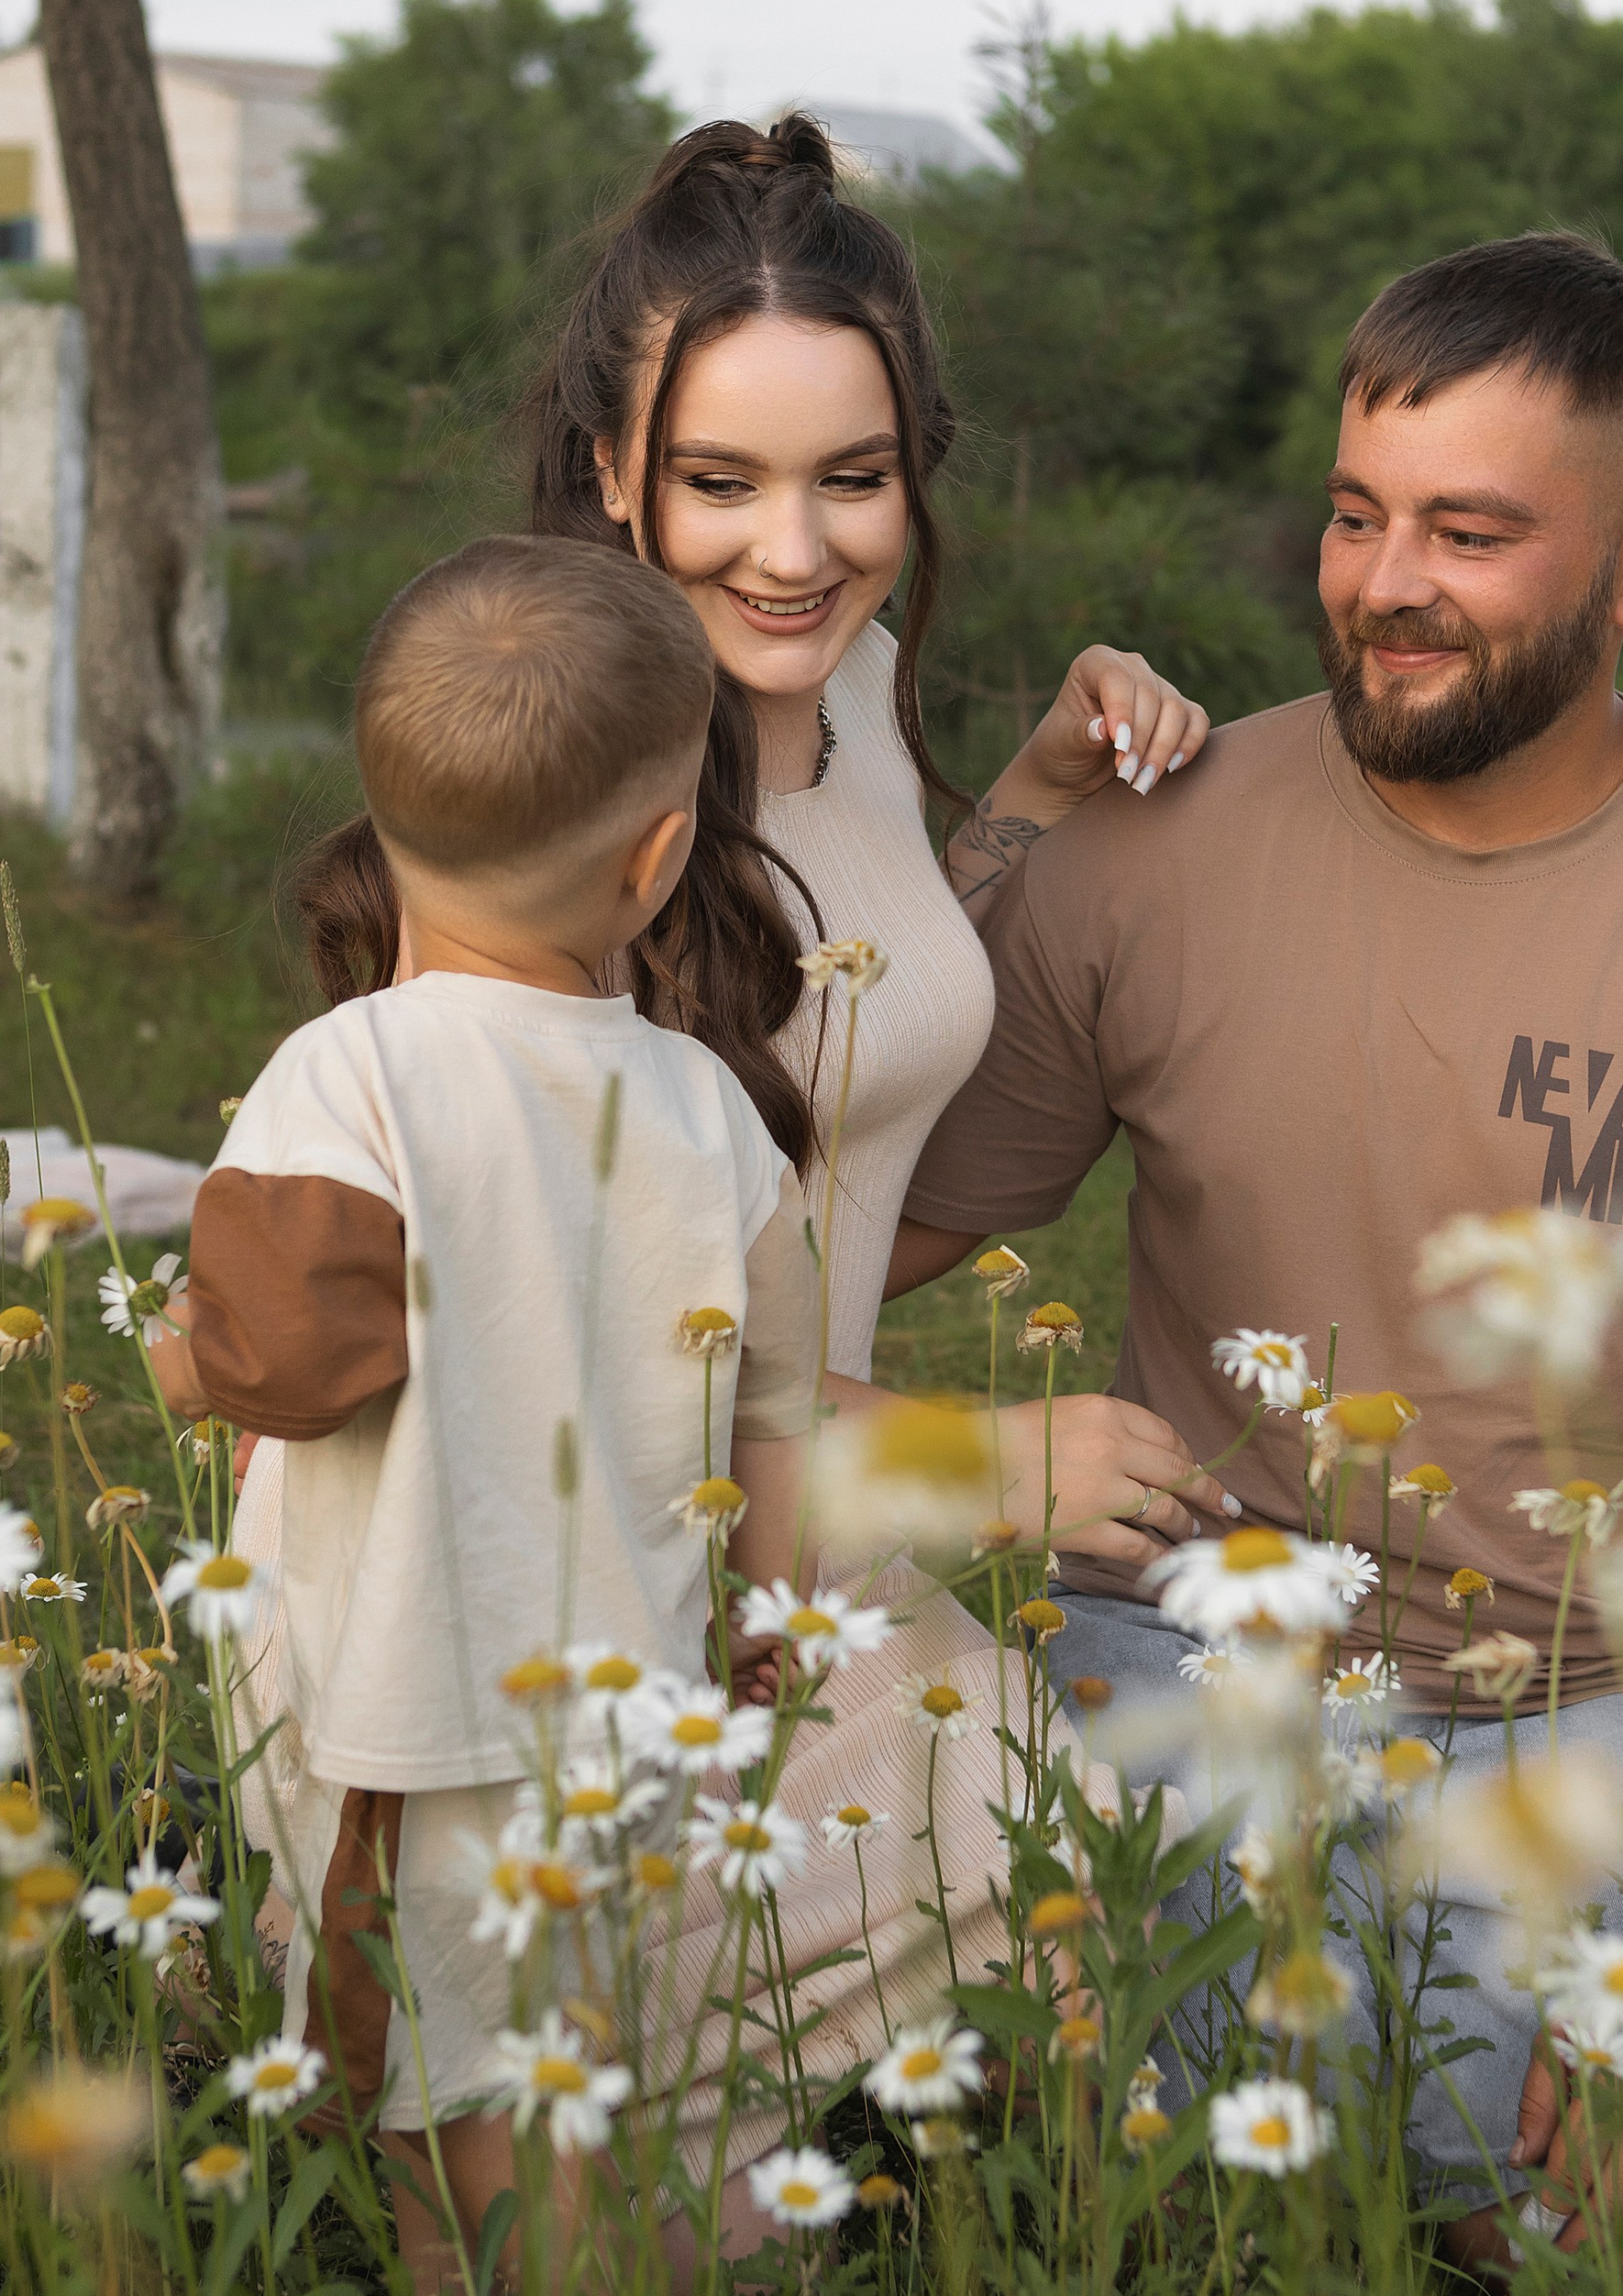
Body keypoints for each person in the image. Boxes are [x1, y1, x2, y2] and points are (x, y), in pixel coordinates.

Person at [893, 230, 1623, 2271]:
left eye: (1469, 535)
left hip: (1589, 1703)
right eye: (1353, 515)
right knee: (980, 2162)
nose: (1383, 585)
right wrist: (1005, 836)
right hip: (1182, 1655)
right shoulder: (1163, 831)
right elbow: (859, 1236)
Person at [171, 536, 1043, 2296]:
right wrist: (757, 1635)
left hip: (409, 1716)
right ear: (659, 862)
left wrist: (180, 1354)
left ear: (379, 825)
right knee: (478, 2068)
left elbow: (276, 1361)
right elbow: (773, 1419)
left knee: (473, 2095)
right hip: (616, 1705)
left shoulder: (347, 1075)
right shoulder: (705, 1109)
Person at [296, 112, 1231, 1560]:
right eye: (720, 482)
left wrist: (1038, 796)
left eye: (852, 480)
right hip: (593, 1594)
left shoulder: (849, 677)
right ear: (613, 470)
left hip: (799, 1538)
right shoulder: (565, 804)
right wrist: (972, 1456)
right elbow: (564, 1340)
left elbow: (849, 980)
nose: (794, 556)